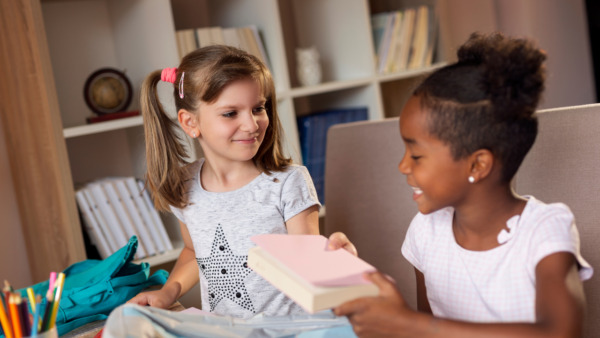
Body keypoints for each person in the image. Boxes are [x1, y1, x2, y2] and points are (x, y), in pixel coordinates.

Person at [333, 32, 594, 337]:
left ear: (477, 164)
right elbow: (425, 331)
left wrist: (406, 322)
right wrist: (354, 278)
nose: (402, 166)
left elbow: (561, 333)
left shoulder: (544, 230)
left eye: (416, 155)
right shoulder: (426, 231)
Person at [127, 45, 339, 318]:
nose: (251, 125)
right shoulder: (186, 184)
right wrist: (168, 292)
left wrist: (334, 258)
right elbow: (194, 252)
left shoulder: (288, 183)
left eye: (258, 108)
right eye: (230, 113)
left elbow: (310, 269)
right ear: (190, 123)